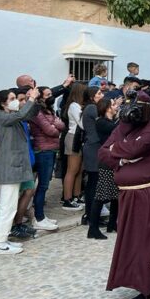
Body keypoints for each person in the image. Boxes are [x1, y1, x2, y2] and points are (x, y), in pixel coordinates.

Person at [100, 92, 150, 299]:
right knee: (135, 243)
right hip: (128, 196)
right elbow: (102, 153)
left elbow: (137, 148)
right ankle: (144, 285)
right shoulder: (125, 125)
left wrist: (119, 150)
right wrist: (121, 157)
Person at [0, 87, 40, 254]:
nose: (15, 101)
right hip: (9, 165)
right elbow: (21, 114)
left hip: (15, 164)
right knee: (6, 204)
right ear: (3, 103)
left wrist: (35, 99)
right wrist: (30, 99)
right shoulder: (1, 117)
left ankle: (3, 239)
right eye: (12, 98)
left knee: (10, 205)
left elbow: (30, 114)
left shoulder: (11, 116)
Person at [28, 86, 64, 231]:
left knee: (45, 185)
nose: (51, 97)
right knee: (42, 185)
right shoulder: (36, 111)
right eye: (48, 94)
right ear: (40, 97)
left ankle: (41, 215)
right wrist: (55, 126)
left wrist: (55, 125)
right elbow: (50, 130)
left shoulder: (49, 110)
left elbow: (62, 124)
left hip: (51, 149)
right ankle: (39, 217)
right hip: (42, 150)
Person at [89, 98, 120, 238]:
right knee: (101, 196)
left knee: (116, 196)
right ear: (107, 108)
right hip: (106, 162)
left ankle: (112, 223)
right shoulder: (101, 122)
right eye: (113, 105)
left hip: (114, 161)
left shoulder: (110, 122)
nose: (116, 107)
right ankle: (93, 229)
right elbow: (117, 130)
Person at [81, 86, 104, 224]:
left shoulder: (92, 107)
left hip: (95, 146)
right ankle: (90, 215)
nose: (102, 95)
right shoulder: (91, 108)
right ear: (91, 96)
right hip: (93, 148)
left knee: (94, 183)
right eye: (99, 93)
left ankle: (92, 215)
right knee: (93, 183)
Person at [62, 82, 86, 210]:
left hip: (79, 139)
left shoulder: (79, 105)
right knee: (72, 170)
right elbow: (82, 123)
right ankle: (67, 199)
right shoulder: (74, 106)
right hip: (73, 138)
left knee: (79, 170)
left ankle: (77, 196)